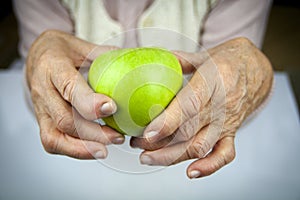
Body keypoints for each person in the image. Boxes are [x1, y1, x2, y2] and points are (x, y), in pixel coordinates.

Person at [13, 0, 274, 179]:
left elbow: (232, 85)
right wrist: (39, 61)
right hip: (74, 166)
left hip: (194, 164)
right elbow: (44, 83)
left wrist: (252, 75)